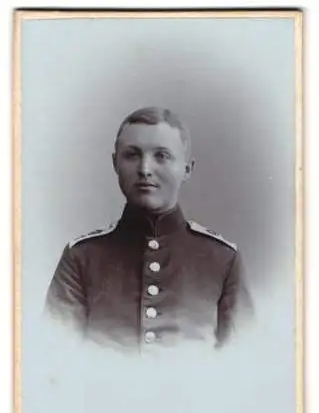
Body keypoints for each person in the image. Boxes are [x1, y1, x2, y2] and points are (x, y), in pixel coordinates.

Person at [45, 106, 253, 351]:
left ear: (187, 169)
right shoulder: (80, 257)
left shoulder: (223, 260)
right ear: (115, 164)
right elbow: (55, 361)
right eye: (132, 155)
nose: (145, 169)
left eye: (162, 156)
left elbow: (242, 365)